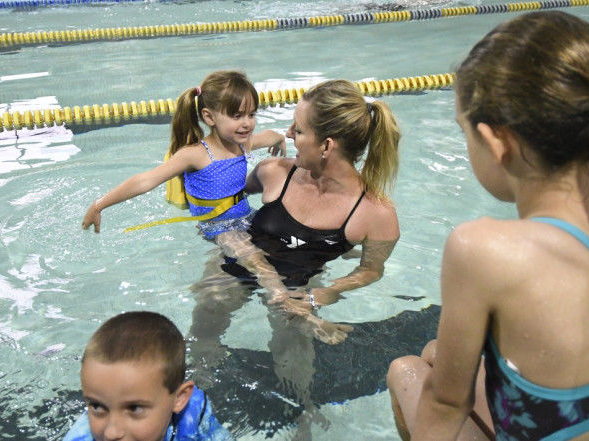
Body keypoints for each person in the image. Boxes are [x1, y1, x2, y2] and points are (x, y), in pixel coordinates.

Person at [386, 11, 589, 441]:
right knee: (438, 353)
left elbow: (445, 405)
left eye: (465, 132)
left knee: (407, 371)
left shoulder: (483, 250)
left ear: (497, 143)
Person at [220, 78, 401, 314]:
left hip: (299, 286)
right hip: (236, 262)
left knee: (295, 347)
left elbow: (371, 270)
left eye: (299, 129)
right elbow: (225, 198)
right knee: (206, 332)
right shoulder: (274, 172)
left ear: (326, 146)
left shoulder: (376, 214)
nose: (288, 133)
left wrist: (328, 293)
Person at [81, 70, 285, 245]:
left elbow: (268, 137)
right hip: (218, 228)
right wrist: (99, 205)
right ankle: (278, 292)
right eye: (237, 116)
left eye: (251, 115)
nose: (247, 123)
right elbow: (145, 181)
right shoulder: (196, 154)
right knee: (258, 264)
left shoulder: (242, 143)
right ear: (209, 117)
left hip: (245, 217)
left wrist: (280, 140)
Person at [62, 311, 233, 441]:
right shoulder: (81, 437)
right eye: (97, 406)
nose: (111, 433)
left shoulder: (194, 411)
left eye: (135, 408)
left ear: (179, 398)